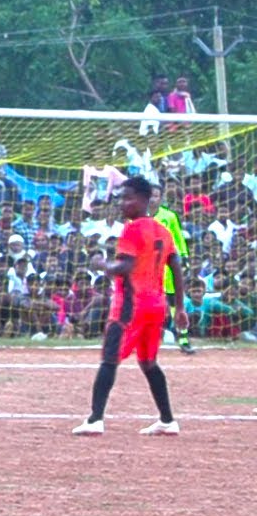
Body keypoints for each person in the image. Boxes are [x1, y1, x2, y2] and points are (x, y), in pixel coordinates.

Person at [73, 177, 188, 437]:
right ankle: (168, 420)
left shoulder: (132, 229)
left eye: (128, 198)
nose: (123, 204)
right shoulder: (162, 230)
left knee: (109, 359)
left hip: (131, 306)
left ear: (145, 200)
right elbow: (176, 264)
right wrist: (179, 307)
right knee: (148, 361)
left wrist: (102, 265)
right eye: (121, 198)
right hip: (157, 305)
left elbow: (124, 267)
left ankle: (95, 419)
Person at [150, 185, 194, 355]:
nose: (153, 199)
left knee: (175, 302)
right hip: (147, 267)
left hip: (167, 266)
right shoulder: (138, 218)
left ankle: (182, 337)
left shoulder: (169, 216)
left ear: (161, 198)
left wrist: (184, 256)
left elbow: (178, 238)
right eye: (151, 195)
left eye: (156, 195)